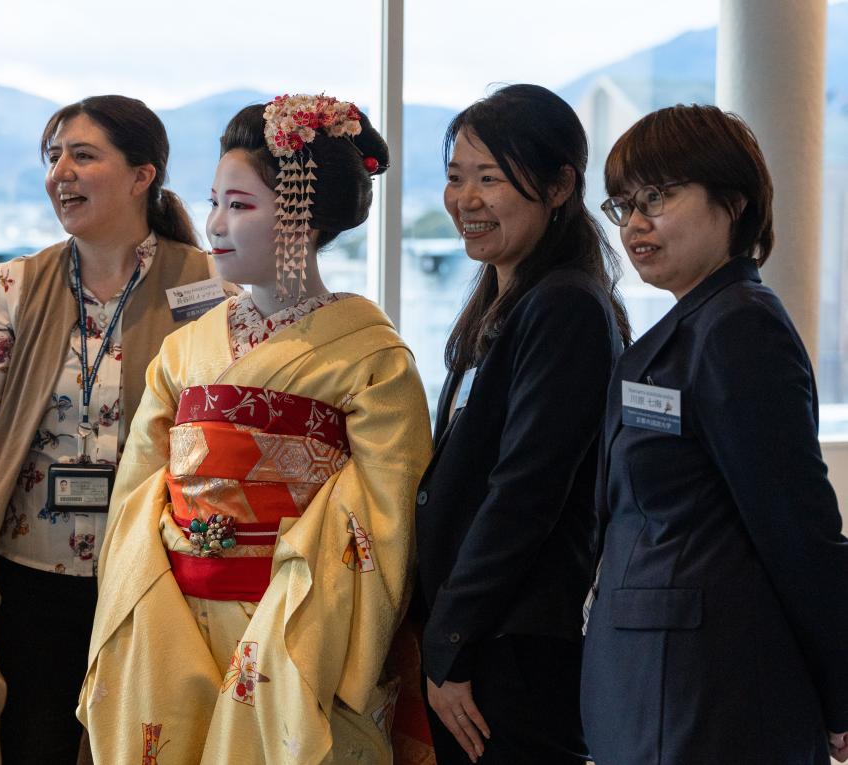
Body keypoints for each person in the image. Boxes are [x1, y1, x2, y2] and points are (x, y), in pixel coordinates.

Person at [78, 94, 432, 764]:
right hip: (175, 618)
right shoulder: (187, 350)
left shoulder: (372, 357)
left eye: (239, 205)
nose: (213, 223)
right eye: (213, 200)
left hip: (295, 621)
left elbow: (383, 525)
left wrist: (297, 614)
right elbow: (137, 495)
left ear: (299, 211)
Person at [0, 95, 215, 765]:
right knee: (30, 743)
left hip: (152, 576)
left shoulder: (205, 285)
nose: (61, 173)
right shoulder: (14, 285)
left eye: (83, 155)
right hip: (31, 577)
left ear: (142, 175)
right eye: (52, 157)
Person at [582, 104, 848, 764]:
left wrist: (842, 690)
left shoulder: (740, 326)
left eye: (658, 196)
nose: (636, 223)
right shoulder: (688, 328)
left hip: (711, 694)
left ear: (733, 201)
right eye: (622, 206)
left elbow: (796, 525)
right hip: (654, 682)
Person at [412, 84, 630, 764]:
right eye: (455, 177)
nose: (466, 200)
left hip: (509, 645)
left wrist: (449, 644)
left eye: (491, 179)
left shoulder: (565, 305)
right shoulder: (504, 301)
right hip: (483, 637)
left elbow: (525, 492)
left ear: (560, 185)